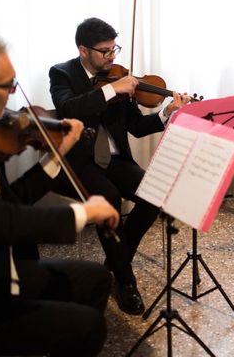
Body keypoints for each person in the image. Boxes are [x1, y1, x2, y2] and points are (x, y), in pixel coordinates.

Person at [0, 34, 120, 356]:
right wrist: (84, 212)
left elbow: (11, 199)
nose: (14, 96)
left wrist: (57, 155)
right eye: (8, 86)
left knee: (95, 278)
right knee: (87, 327)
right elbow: (2, 220)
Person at [49, 17, 189, 315]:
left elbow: (137, 127)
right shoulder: (62, 73)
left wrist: (167, 114)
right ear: (83, 50)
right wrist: (112, 91)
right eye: (105, 51)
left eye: (115, 49)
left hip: (115, 159)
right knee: (109, 199)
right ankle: (125, 282)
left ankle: (114, 261)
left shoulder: (119, 76)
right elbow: (68, 108)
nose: (112, 57)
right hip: (80, 160)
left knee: (153, 195)